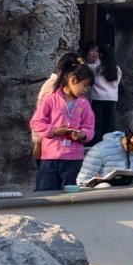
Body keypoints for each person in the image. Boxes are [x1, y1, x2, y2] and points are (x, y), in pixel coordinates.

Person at [30, 62, 95, 191]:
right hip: (49, 158)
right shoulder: (50, 99)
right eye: (84, 85)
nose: (85, 90)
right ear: (73, 80)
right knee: (45, 192)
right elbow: (36, 122)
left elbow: (89, 128)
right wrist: (54, 130)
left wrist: (82, 135)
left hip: (73, 159)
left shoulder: (84, 104)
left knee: (70, 195)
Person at [33, 50, 81, 162]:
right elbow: (40, 116)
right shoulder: (51, 86)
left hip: (65, 146)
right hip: (49, 144)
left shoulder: (68, 88)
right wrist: (38, 142)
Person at [86, 41, 122, 143]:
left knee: (97, 124)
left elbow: (86, 69)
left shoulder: (95, 68)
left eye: (98, 52)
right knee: (109, 124)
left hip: (98, 98)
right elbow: (117, 83)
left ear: (101, 55)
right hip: (112, 99)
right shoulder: (117, 69)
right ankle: (109, 144)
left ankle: (95, 144)